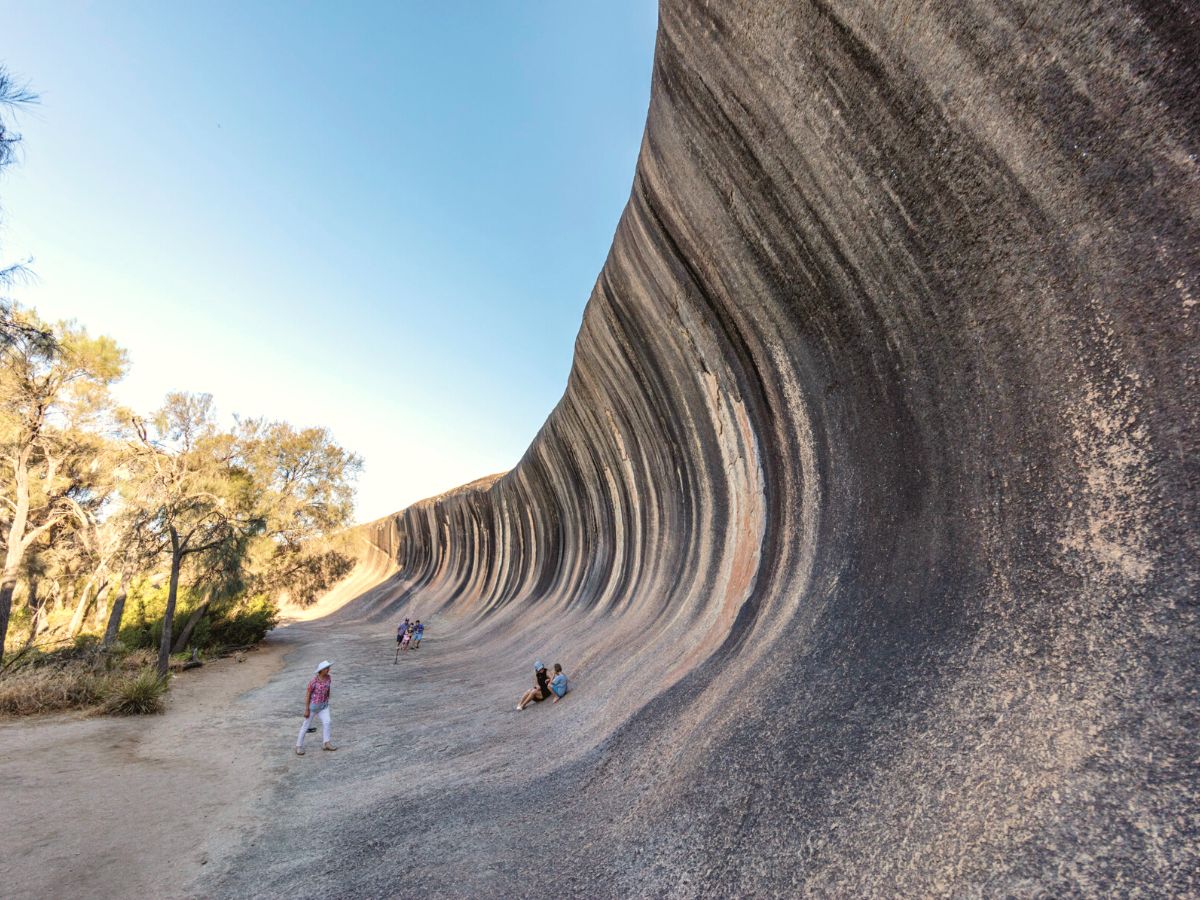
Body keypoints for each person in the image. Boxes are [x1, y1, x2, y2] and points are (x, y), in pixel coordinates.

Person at [297, 660, 336, 755]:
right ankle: (298, 746)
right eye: (326, 668)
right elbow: (308, 695)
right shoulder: (313, 681)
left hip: (324, 706)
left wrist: (327, 698)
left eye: (328, 668)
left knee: (327, 722)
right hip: (313, 707)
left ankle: (326, 743)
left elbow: (328, 688)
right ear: (321, 670)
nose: (328, 669)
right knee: (305, 726)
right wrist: (307, 709)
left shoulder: (328, 678)